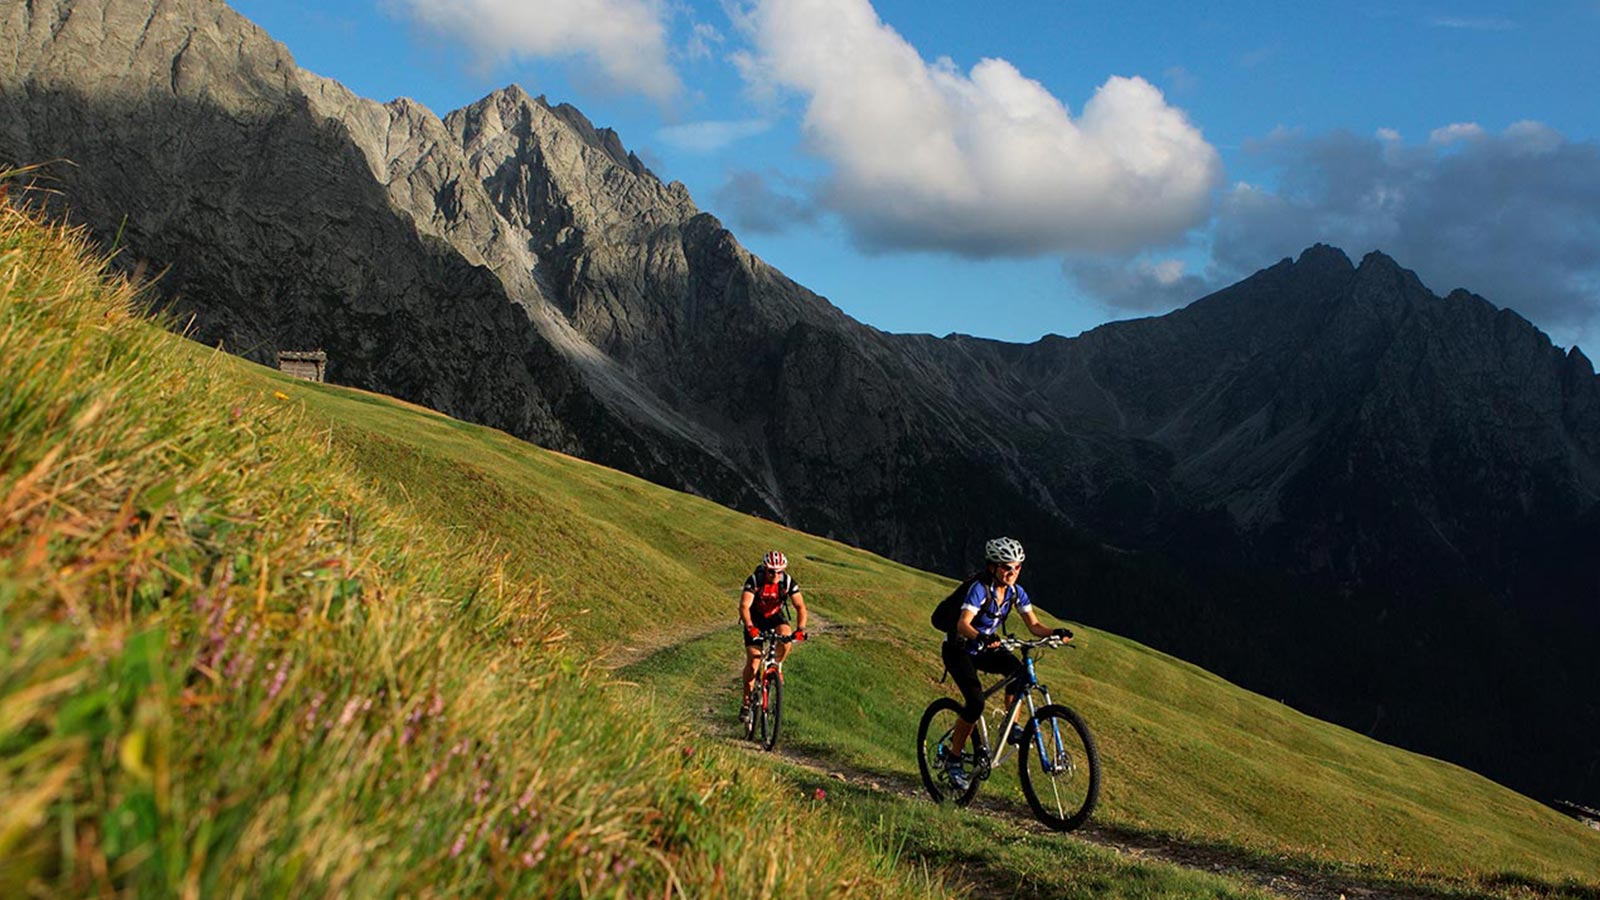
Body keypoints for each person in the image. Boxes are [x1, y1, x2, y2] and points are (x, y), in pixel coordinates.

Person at [940, 536, 1071, 791]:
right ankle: (953, 759)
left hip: (985, 648)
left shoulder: (1015, 593)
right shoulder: (979, 589)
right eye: (1006, 567)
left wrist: (1055, 631)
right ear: (992, 567)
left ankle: (1009, 726)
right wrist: (982, 637)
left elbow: (1033, 626)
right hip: (960, 649)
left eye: (1018, 567)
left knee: (1020, 672)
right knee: (976, 702)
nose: (1012, 573)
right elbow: (962, 623)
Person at [739, 550, 808, 722]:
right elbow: (744, 606)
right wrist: (750, 627)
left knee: (786, 637)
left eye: (779, 571)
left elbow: (800, 607)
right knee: (754, 662)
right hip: (755, 618)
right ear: (765, 569)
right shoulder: (755, 580)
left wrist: (800, 628)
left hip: (774, 616)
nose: (776, 575)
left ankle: (776, 666)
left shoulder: (787, 582)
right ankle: (746, 704)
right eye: (771, 571)